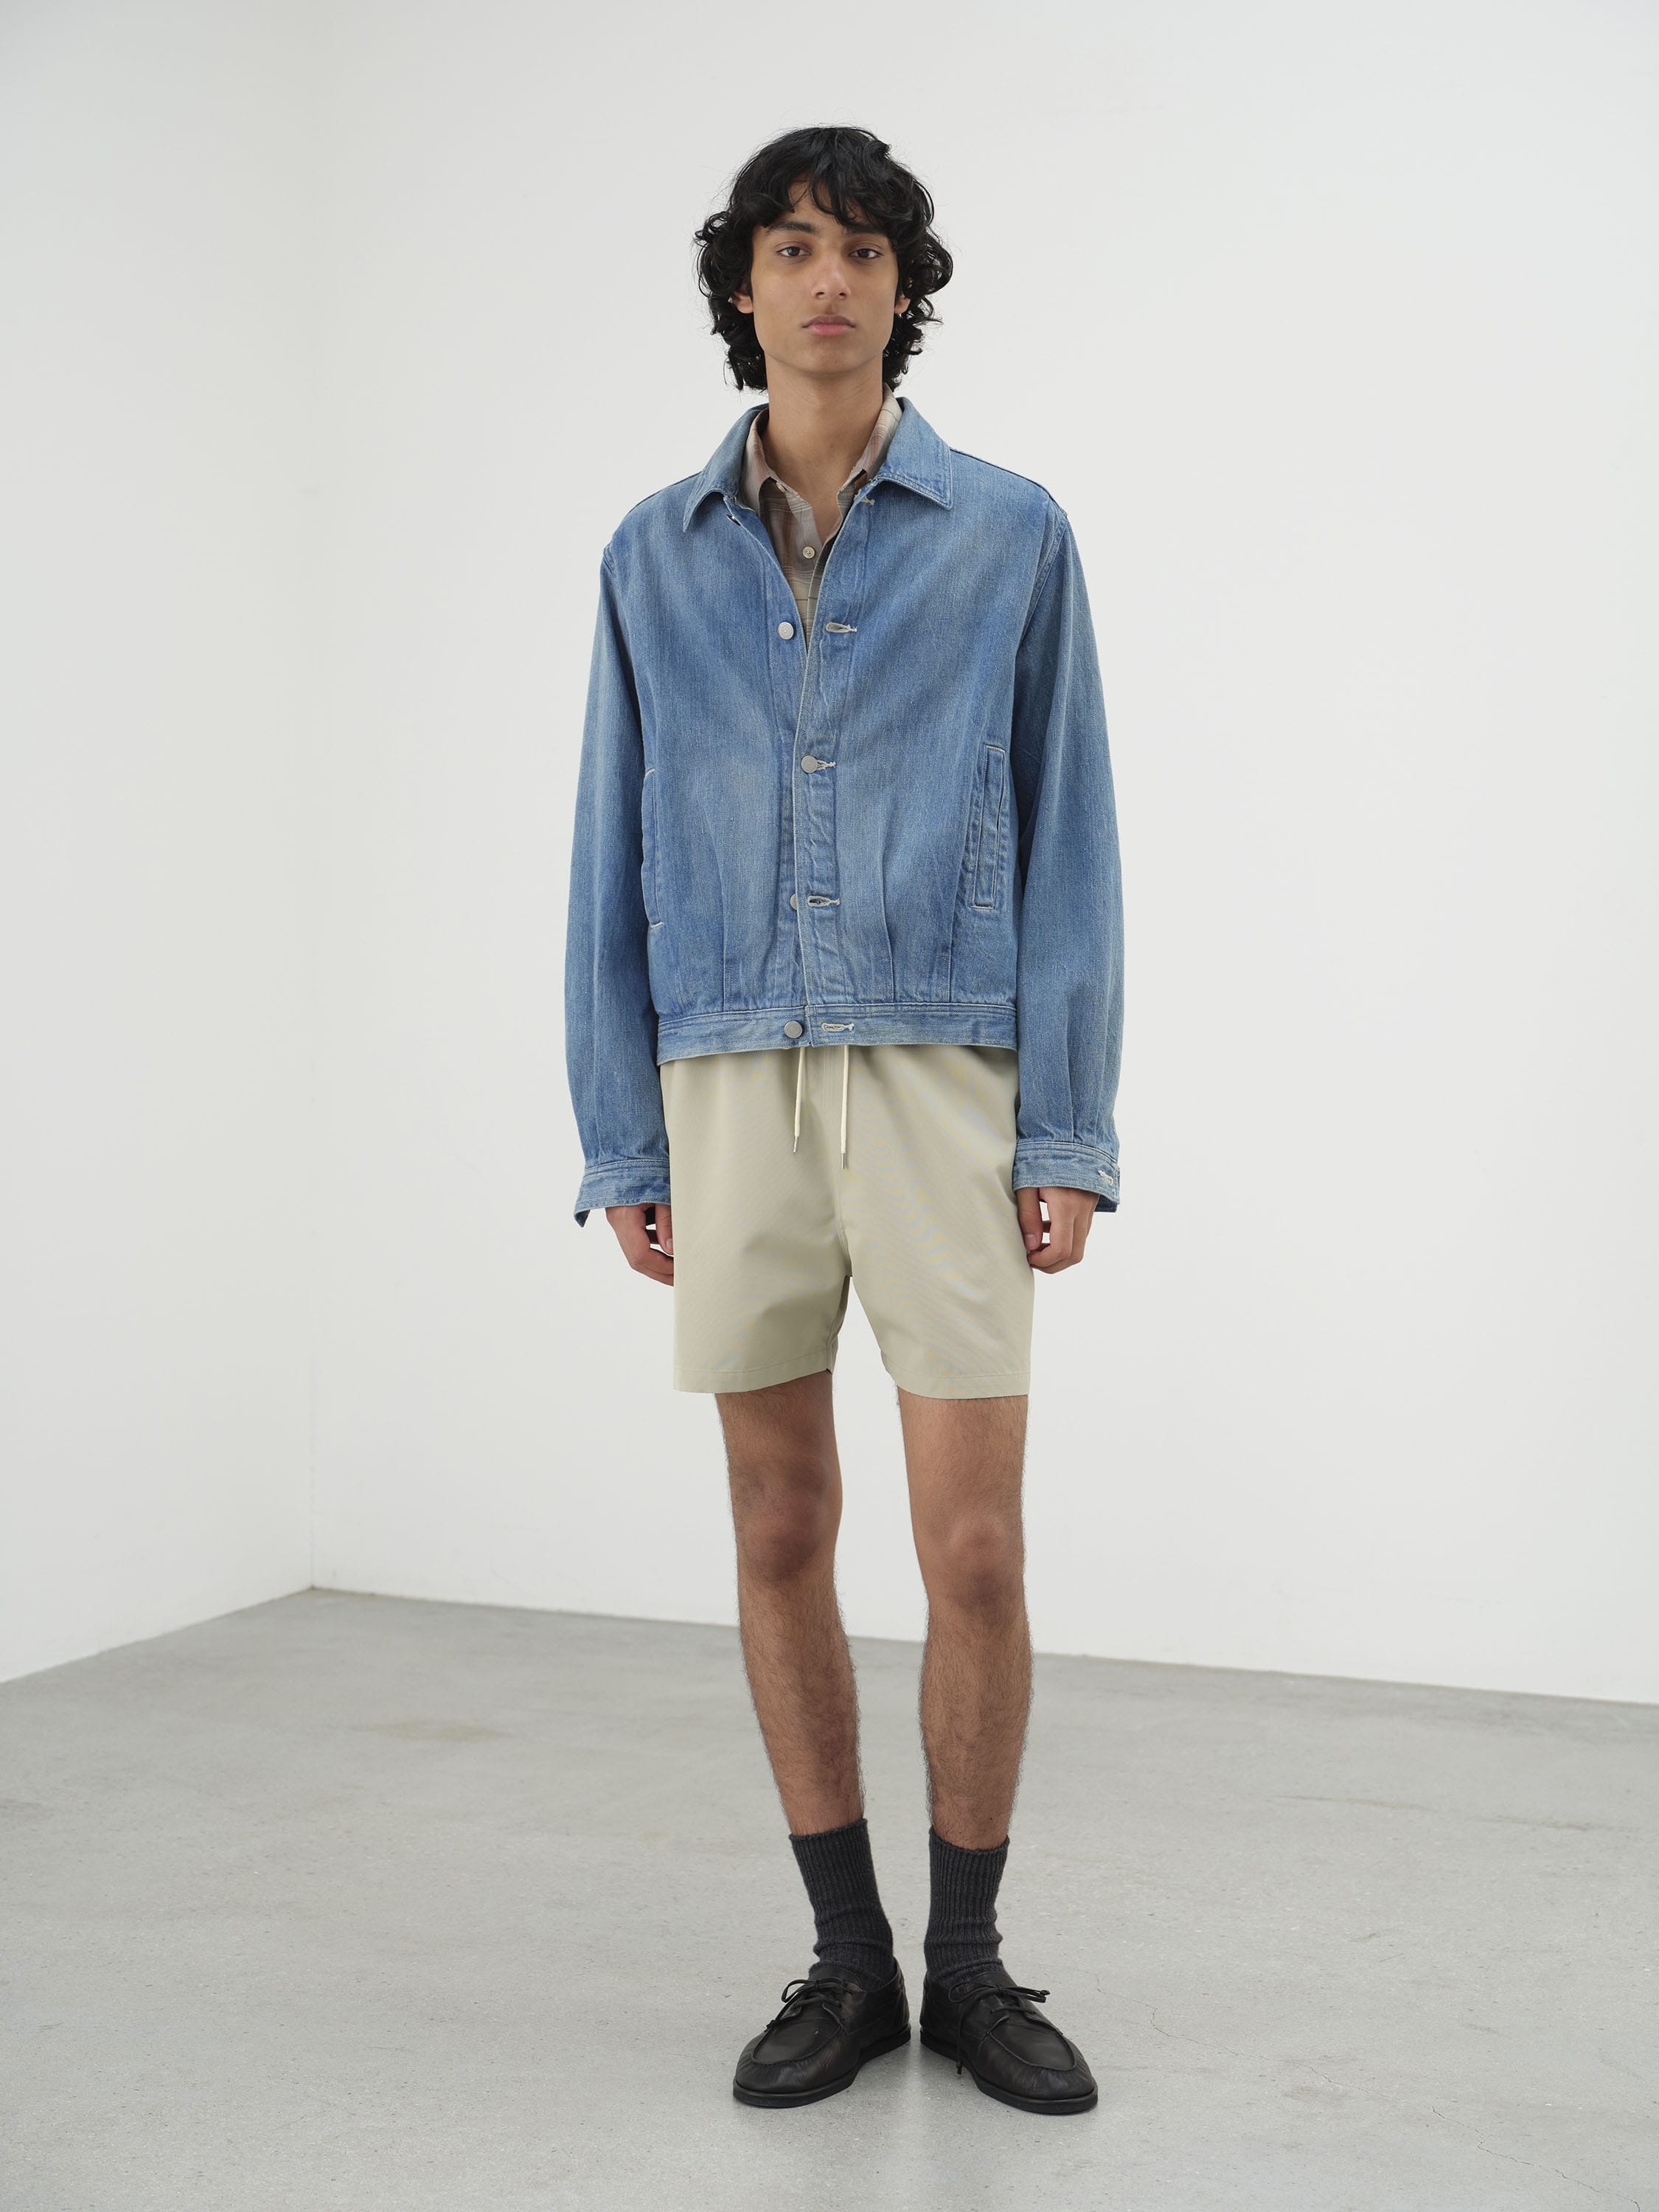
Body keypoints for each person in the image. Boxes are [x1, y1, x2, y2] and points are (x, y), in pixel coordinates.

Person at [563, 124, 1123, 2116]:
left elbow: (1071, 840)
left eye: (865, 251)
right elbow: (609, 851)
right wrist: (623, 1138)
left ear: (904, 290)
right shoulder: (652, 553)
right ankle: (848, 1960)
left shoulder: (1008, 534)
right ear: (742, 287)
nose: (828, 280)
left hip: (946, 1073)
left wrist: (1065, 1126)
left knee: (973, 1545)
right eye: (793, 247)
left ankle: (969, 1968)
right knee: (779, 1523)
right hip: (727, 1075)